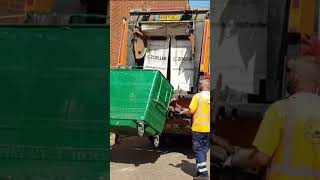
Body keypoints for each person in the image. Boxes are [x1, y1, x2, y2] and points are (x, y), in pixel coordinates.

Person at [223, 55, 320, 180]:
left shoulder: (280, 110)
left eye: (290, 73)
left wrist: (234, 159)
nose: (288, 78)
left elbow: (261, 158)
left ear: (295, 77)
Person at [180, 79, 211, 179]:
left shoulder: (197, 96)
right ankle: (199, 170)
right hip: (209, 129)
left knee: (198, 150)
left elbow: (191, 112)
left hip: (198, 128)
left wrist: (184, 111)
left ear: (200, 86)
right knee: (203, 151)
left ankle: (204, 174)